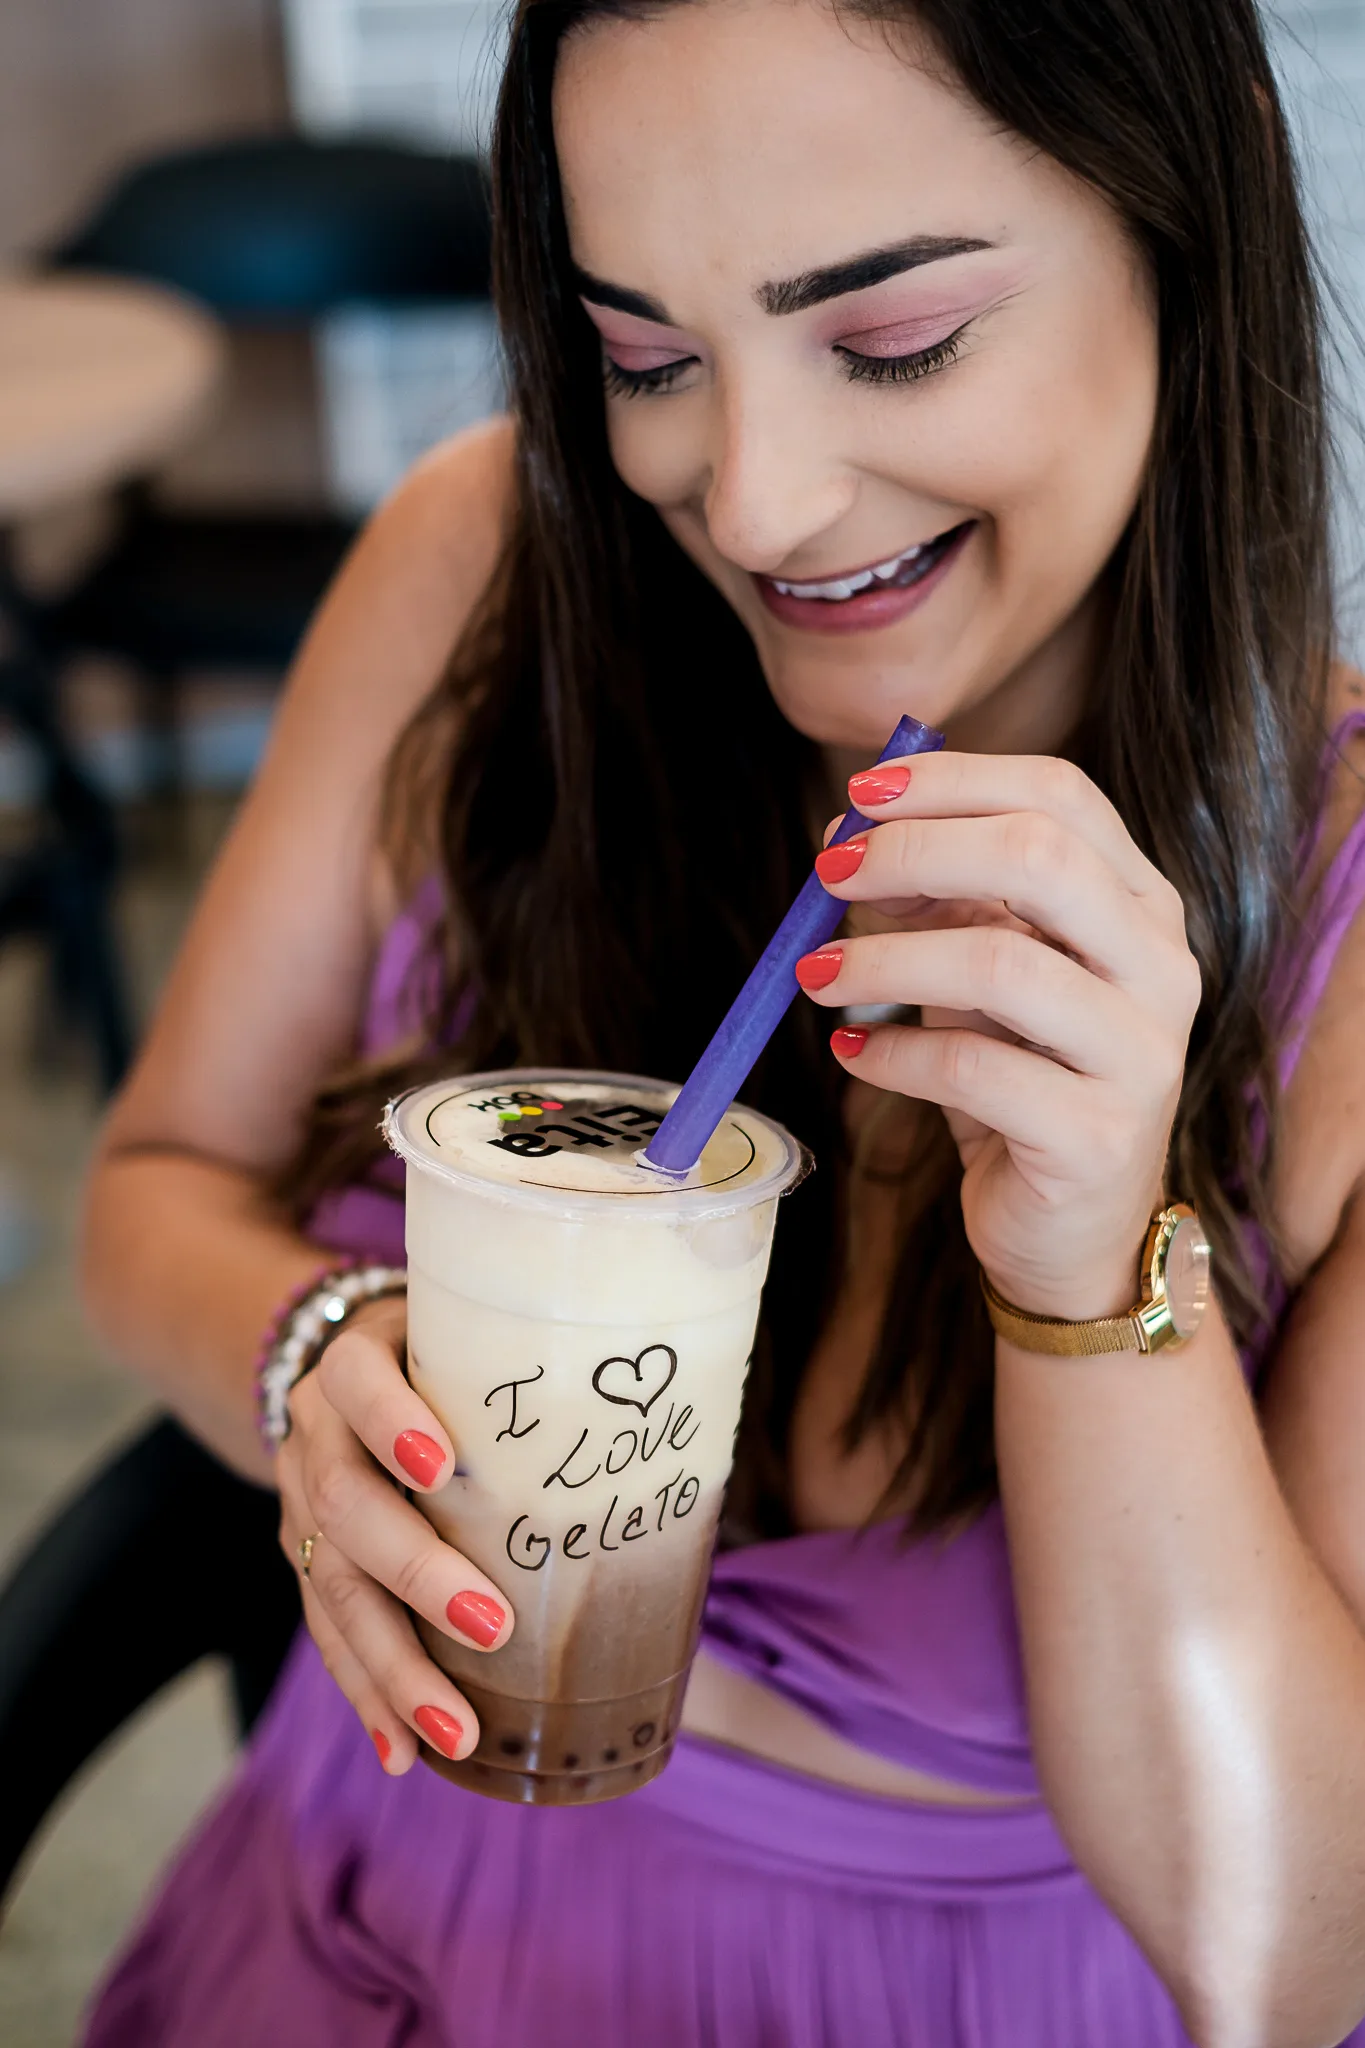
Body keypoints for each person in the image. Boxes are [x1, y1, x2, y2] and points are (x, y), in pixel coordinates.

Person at [77, 0, 1365, 2040]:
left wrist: (1091, 1271)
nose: (749, 503)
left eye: (893, 337)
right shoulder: (476, 570)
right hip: (359, 1927)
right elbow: (150, 1187)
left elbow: (1284, 1952)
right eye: (646, 357)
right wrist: (314, 1350)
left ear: (1176, 245)